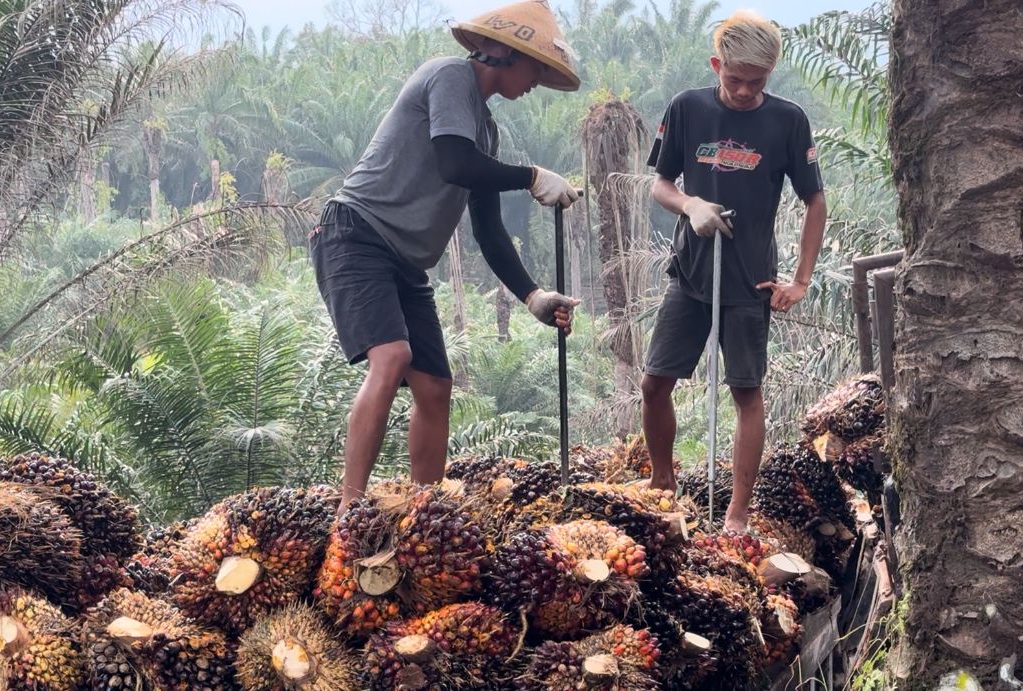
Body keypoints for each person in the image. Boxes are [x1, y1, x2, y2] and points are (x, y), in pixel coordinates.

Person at [311, 0, 582, 513]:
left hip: (406, 263)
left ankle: (424, 512)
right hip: (356, 235)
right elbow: (454, 163)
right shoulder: (450, 77)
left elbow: (487, 227)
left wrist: (533, 296)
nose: (534, 82)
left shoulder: (485, 130)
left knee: (435, 386)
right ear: (503, 54)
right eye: (534, 67)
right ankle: (349, 508)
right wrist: (530, 176)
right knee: (392, 356)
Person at [641, 10, 827, 532]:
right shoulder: (687, 109)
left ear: (770, 74)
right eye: (735, 79)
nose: (745, 91)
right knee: (655, 384)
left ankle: (737, 513)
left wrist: (801, 280)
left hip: (750, 282)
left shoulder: (786, 120)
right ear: (716, 64)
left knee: (746, 393)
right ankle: (662, 484)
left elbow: (815, 200)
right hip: (691, 273)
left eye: (757, 81)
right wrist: (690, 205)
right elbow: (660, 182)